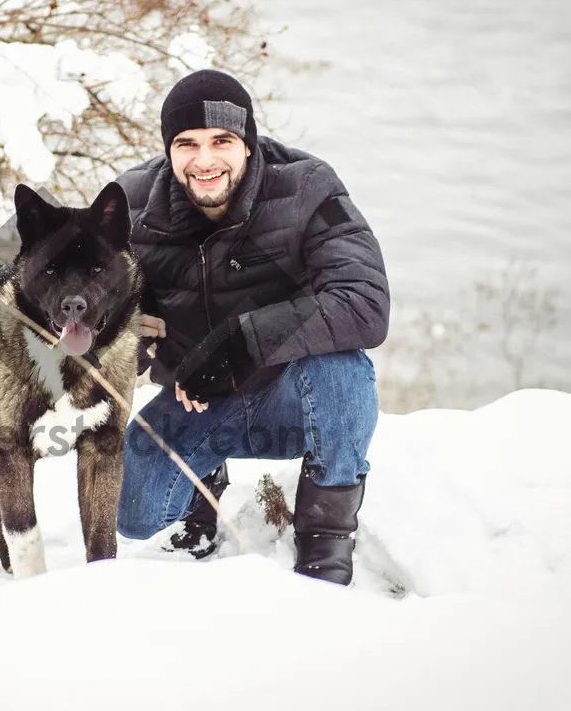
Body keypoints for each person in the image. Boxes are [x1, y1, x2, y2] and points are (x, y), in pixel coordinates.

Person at [113, 69, 390, 585]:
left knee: (343, 367)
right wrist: (124, 336)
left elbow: (365, 303)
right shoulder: (131, 203)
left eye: (222, 140)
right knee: (135, 520)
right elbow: (74, 305)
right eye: (186, 144)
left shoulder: (307, 187)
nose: (204, 160)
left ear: (248, 142)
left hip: (293, 395)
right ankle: (203, 485)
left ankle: (324, 536)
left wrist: (241, 343)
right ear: (167, 149)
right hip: (196, 400)